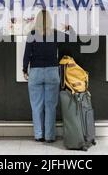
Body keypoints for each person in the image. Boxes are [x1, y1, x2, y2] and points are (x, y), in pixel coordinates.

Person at [23, 9, 76, 143]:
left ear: (37, 20)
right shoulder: (56, 34)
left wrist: (25, 70)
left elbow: (27, 55)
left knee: (36, 105)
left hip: (35, 72)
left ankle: (39, 135)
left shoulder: (32, 34)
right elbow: (73, 38)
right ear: (50, 21)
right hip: (52, 72)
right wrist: (69, 28)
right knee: (50, 106)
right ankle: (50, 136)